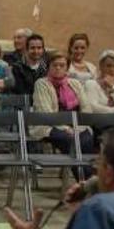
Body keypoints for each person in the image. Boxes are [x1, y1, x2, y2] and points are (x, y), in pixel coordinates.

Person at [32, 51, 93, 180]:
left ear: (67, 67)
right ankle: (85, 181)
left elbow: (86, 108)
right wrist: (66, 128)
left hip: (77, 126)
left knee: (87, 139)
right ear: (49, 67)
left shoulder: (75, 84)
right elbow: (46, 113)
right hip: (48, 126)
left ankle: (84, 182)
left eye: (62, 65)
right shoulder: (41, 84)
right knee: (72, 142)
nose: (58, 68)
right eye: (55, 65)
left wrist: (79, 127)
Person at [84, 49, 114, 114]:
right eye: (108, 66)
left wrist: (113, 87)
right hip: (98, 122)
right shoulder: (91, 84)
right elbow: (92, 108)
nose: (112, 69)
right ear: (101, 66)